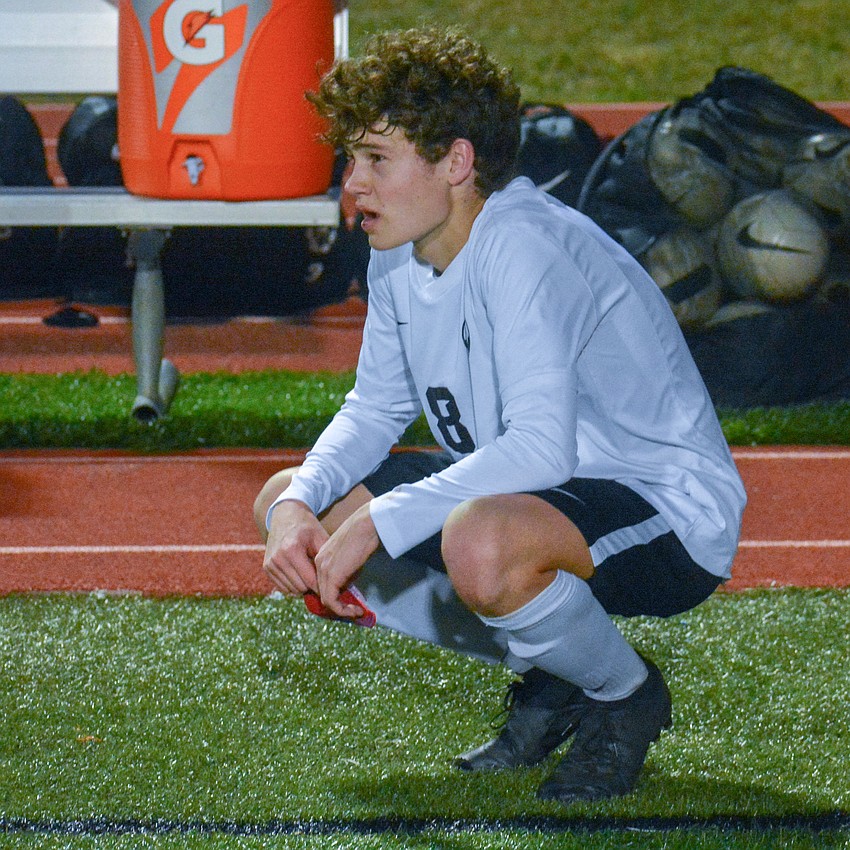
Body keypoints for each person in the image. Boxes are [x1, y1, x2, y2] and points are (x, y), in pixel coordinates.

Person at [254, 26, 746, 805]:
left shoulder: (522, 244)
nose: (354, 183)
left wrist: (381, 523)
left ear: (456, 163)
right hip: (532, 494)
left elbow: (545, 450)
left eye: (376, 159)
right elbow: (376, 406)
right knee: (301, 499)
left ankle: (624, 695)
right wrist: (293, 505)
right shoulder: (395, 250)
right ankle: (559, 671)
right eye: (353, 160)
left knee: (476, 540)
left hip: (663, 509)